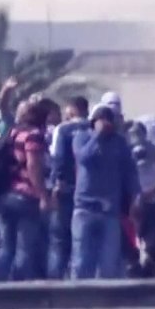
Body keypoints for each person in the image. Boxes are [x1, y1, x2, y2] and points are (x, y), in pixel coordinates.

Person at [70, 104, 138, 280]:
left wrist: (136, 196)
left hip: (110, 210)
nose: (106, 124)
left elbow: (129, 170)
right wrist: (98, 136)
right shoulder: (82, 138)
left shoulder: (119, 142)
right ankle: (77, 301)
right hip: (85, 208)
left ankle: (105, 303)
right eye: (102, 120)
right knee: (82, 260)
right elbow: (84, 157)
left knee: (108, 262)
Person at [0, 99, 49, 282]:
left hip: (6, 195)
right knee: (24, 247)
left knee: (5, 246)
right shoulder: (34, 136)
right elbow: (33, 166)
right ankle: (18, 291)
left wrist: (6, 93)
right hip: (26, 195)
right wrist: (43, 195)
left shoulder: (12, 132)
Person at [47, 96, 90, 279]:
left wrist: (54, 184)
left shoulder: (62, 130)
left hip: (64, 189)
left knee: (59, 241)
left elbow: (57, 158)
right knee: (80, 241)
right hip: (86, 191)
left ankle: (55, 284)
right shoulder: (92, 128)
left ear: (71, 110)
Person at [128, 116, 155, 277]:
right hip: (133, 206)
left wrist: (151, 191)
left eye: (139, 133)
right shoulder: (126, 156)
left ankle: (149, 270)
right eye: (132, 134)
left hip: (151, 204)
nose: (136, 137)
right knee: (132, 246)